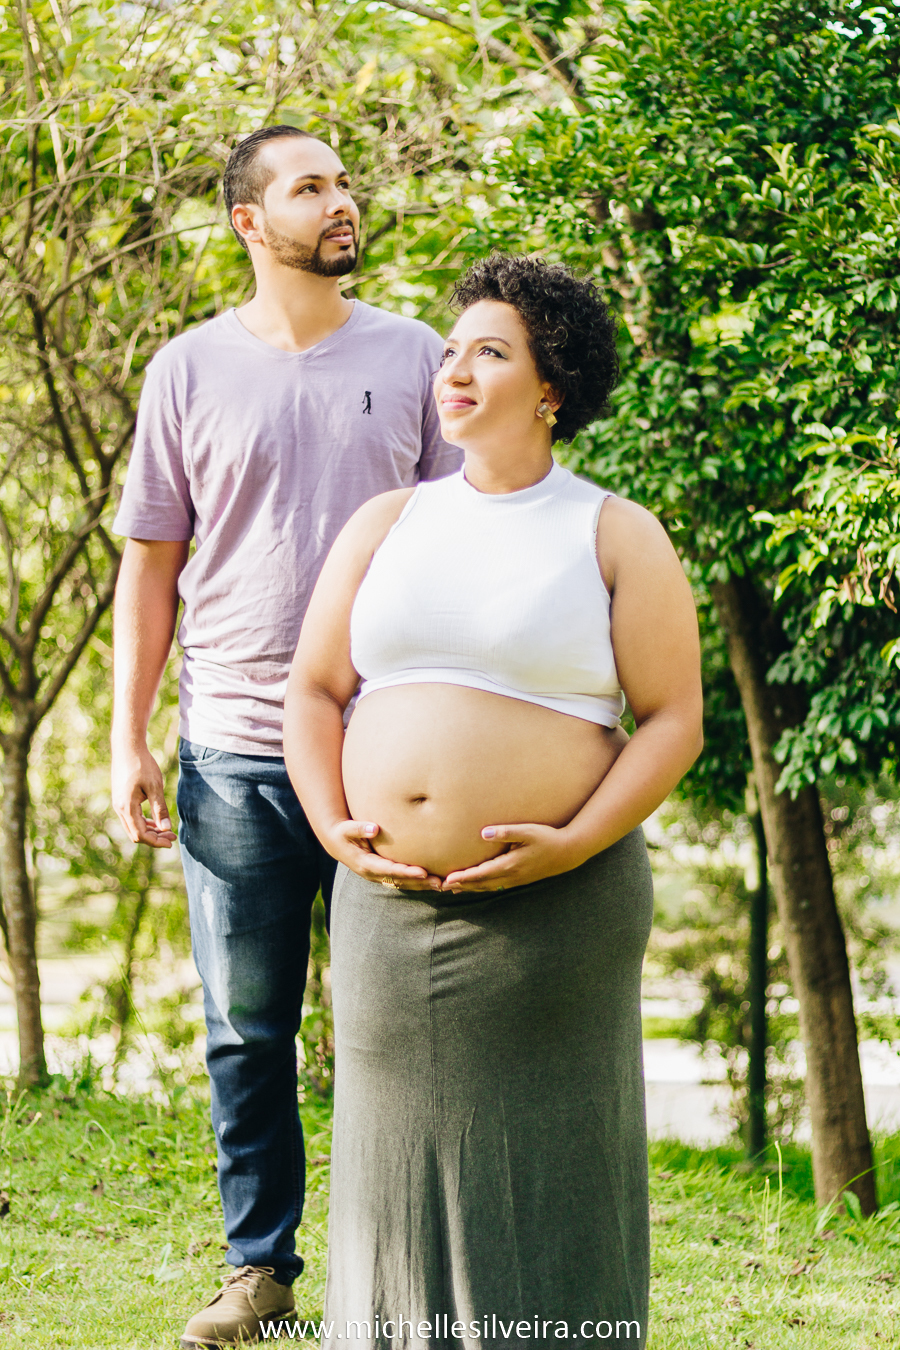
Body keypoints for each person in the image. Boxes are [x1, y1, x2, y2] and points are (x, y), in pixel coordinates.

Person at [283, 254, 703, 1349]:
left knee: (549, 1179)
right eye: (451, 351)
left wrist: (573, 842)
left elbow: (671, 721)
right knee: (391, 1179)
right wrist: (332, 826)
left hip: (556, 916)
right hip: (385, 911)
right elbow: (315, 690)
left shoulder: (614, 532)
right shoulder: (388, 521)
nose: (455, 371)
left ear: (551, 385)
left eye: (490, 352)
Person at [109, 124, 460, 1349]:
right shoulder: (187, 370)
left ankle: (404, 1272)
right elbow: (151, 566)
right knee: (247, 1031)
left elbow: (465, 544)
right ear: (251, 221)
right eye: (312, 187)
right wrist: (129, 736)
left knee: (400, 1025)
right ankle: (260, 1274)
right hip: (233, 751)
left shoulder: (417, 356)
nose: (342, 200)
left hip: (388, 749)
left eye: (345, 182)